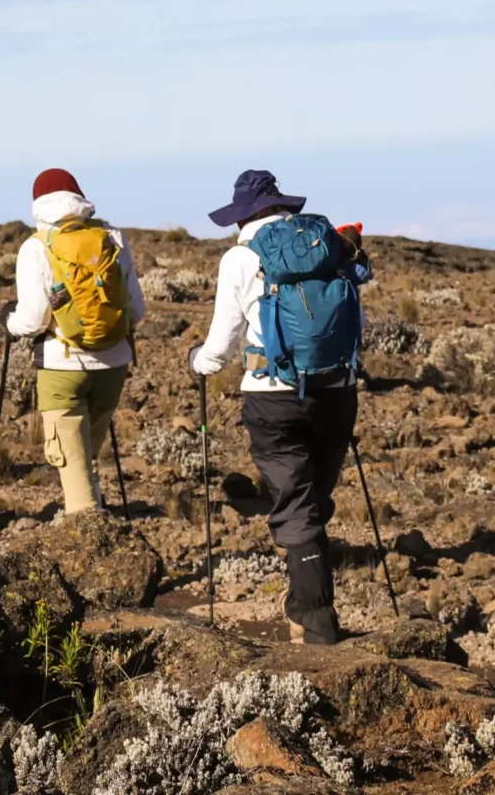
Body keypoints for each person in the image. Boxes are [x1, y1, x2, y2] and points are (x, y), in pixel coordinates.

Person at [187, 168, 369, 645]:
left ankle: (316, 621)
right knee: (313, 502)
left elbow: (222, 340)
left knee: (296, 506)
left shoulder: (240, 257)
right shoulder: (325, 243)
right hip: (337, 390)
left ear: (242, 215)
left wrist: (199, 363)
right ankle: (301, 611)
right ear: (282, 206)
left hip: (273, 396)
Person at [5, 166, 146, 515]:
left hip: (61, 368)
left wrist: (9, 323)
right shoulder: (112, 236)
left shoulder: (35, 247)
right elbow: (137, 309)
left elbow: (34, 319)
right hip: (114, 364)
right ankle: (98, 522)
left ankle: (92, 549)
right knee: (88, 458)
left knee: (73, 471)